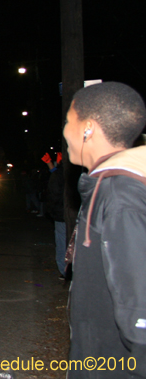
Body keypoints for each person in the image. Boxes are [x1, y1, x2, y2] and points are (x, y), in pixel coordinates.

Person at [63, 82, 146, 377]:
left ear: (88, 128)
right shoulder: (106, 186)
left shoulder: (120, 195)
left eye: (68, 122)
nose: (64, 132)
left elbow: (139, 306)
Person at [41, 151, 66, 279]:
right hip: (66, 214)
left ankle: (65, 271)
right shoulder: (66, 172)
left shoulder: (63, 174)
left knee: (63, 243)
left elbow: (55, 188)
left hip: (62, 214)